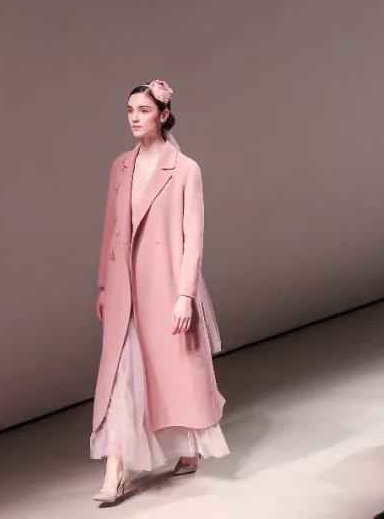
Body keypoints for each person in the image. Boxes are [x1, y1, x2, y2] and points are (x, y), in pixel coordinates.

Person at [90, 80, 228, 505]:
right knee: (121, 375)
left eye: (144, 110)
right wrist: (103, 284)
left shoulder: (185, 169)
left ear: (164, 115)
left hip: (165, 285)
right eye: (130, 110)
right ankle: (115, 470)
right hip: (124, 287)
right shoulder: (120, 167)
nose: (134, 117)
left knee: (173, 371)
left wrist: (185, 294)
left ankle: (186, 446)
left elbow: (193, 237)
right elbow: (111, 230)